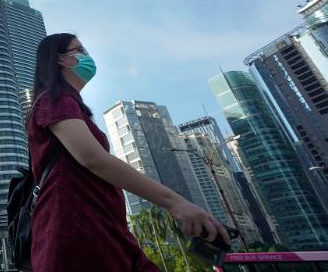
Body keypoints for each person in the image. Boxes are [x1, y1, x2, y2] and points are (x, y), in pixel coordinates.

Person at [28, 33, 230, 271]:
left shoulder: (70, 103)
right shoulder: (54, 100)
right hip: (80, 230)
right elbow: (93, 158)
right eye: (79, 51)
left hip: (105, 229)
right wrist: (174, 202)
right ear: (60, 60)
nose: (88, 57)